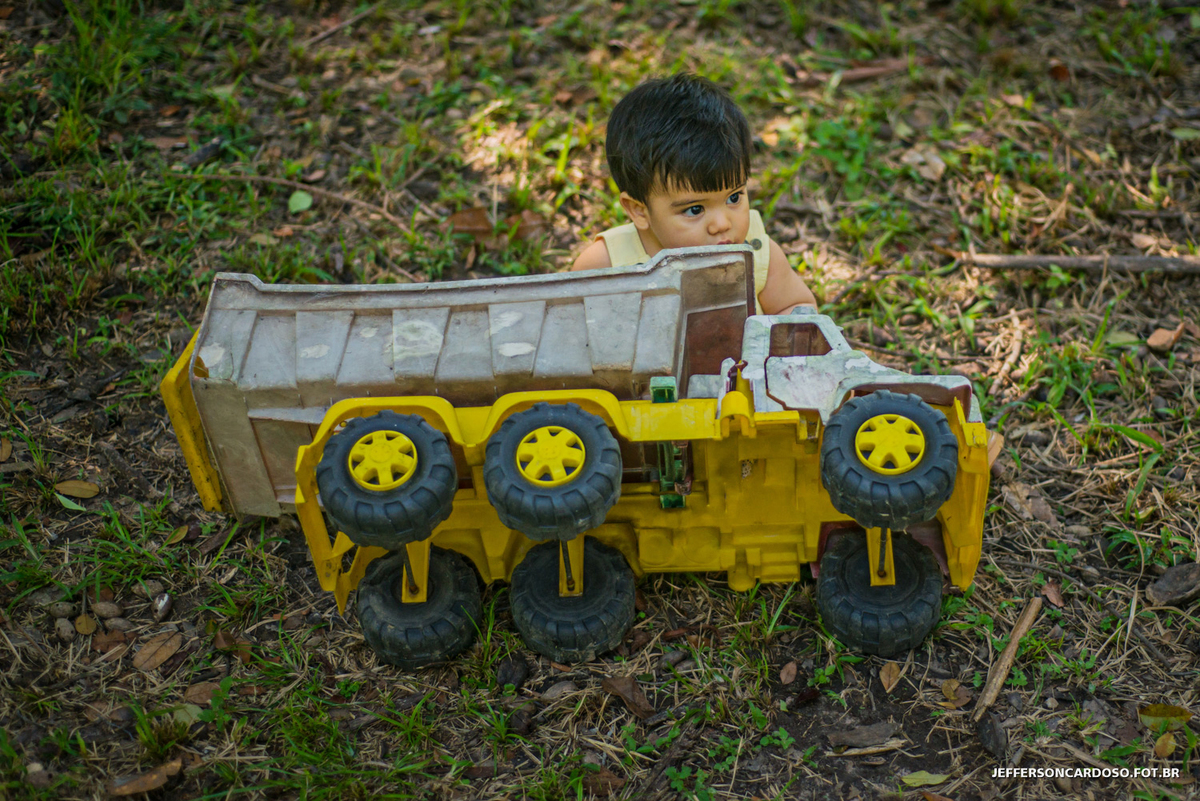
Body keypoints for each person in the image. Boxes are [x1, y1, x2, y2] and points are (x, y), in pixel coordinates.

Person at [570, 73, 817, 315]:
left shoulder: (758, 254)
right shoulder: (607, 266)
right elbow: (573, 333)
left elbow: (794, 307)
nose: (722, 224)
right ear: (639, 210)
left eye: (734, 197)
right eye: (695, 209)